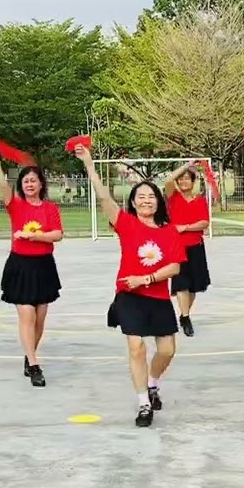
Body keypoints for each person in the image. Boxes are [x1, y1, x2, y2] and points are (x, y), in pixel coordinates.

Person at [77, 144, 185, 428]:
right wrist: (89, 164)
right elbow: (104, 197)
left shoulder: (169, 231)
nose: (147, 200)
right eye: (141, 197)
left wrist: (147, 279)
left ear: (159, 202)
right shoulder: (125, 224)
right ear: (133, 202)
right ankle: (143, 403)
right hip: (130, 297)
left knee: (167, 350)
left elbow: (174, 267)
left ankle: (152, 383)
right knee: (136, 347)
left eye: (152, 196)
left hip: (158, 297)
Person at [0, 142, 63, 387]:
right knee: (27, 316)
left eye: (34, 180)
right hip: (20, 266)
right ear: (21, 185)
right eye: (26, 181)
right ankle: (33, 363)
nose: (29, 184)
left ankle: (29, 354)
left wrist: (35, 236)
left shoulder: (51, 208)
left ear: (41, 184)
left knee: (39, 320)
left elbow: (58, 234)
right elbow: (1, 184)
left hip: (44, 266)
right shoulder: (16, 206)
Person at [162, 162, 211, 336]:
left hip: (196, 246)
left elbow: (205, 222)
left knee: (194, 286)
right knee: (181, 284)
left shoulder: (200, 200)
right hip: (177, 248)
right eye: (181, 179)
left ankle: (184, 315)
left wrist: (186, 227)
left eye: (187, 179)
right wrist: (186, 167)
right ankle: (185, 317)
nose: (183, 182)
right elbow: (168, 180)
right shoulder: (173, 197)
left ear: (193, 182)